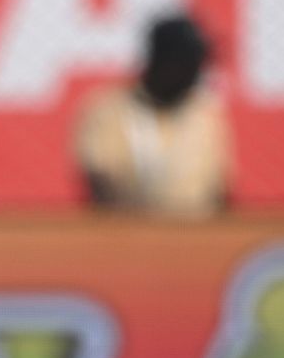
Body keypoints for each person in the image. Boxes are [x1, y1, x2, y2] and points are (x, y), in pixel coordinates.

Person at [74, 14, 230, 218]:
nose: (194, 75)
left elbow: (220, 189)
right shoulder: (107, 111)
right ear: (161, 61)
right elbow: (99, 179)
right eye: (187, 65)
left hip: (193, 235)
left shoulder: (205, 113)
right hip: (125, 233)